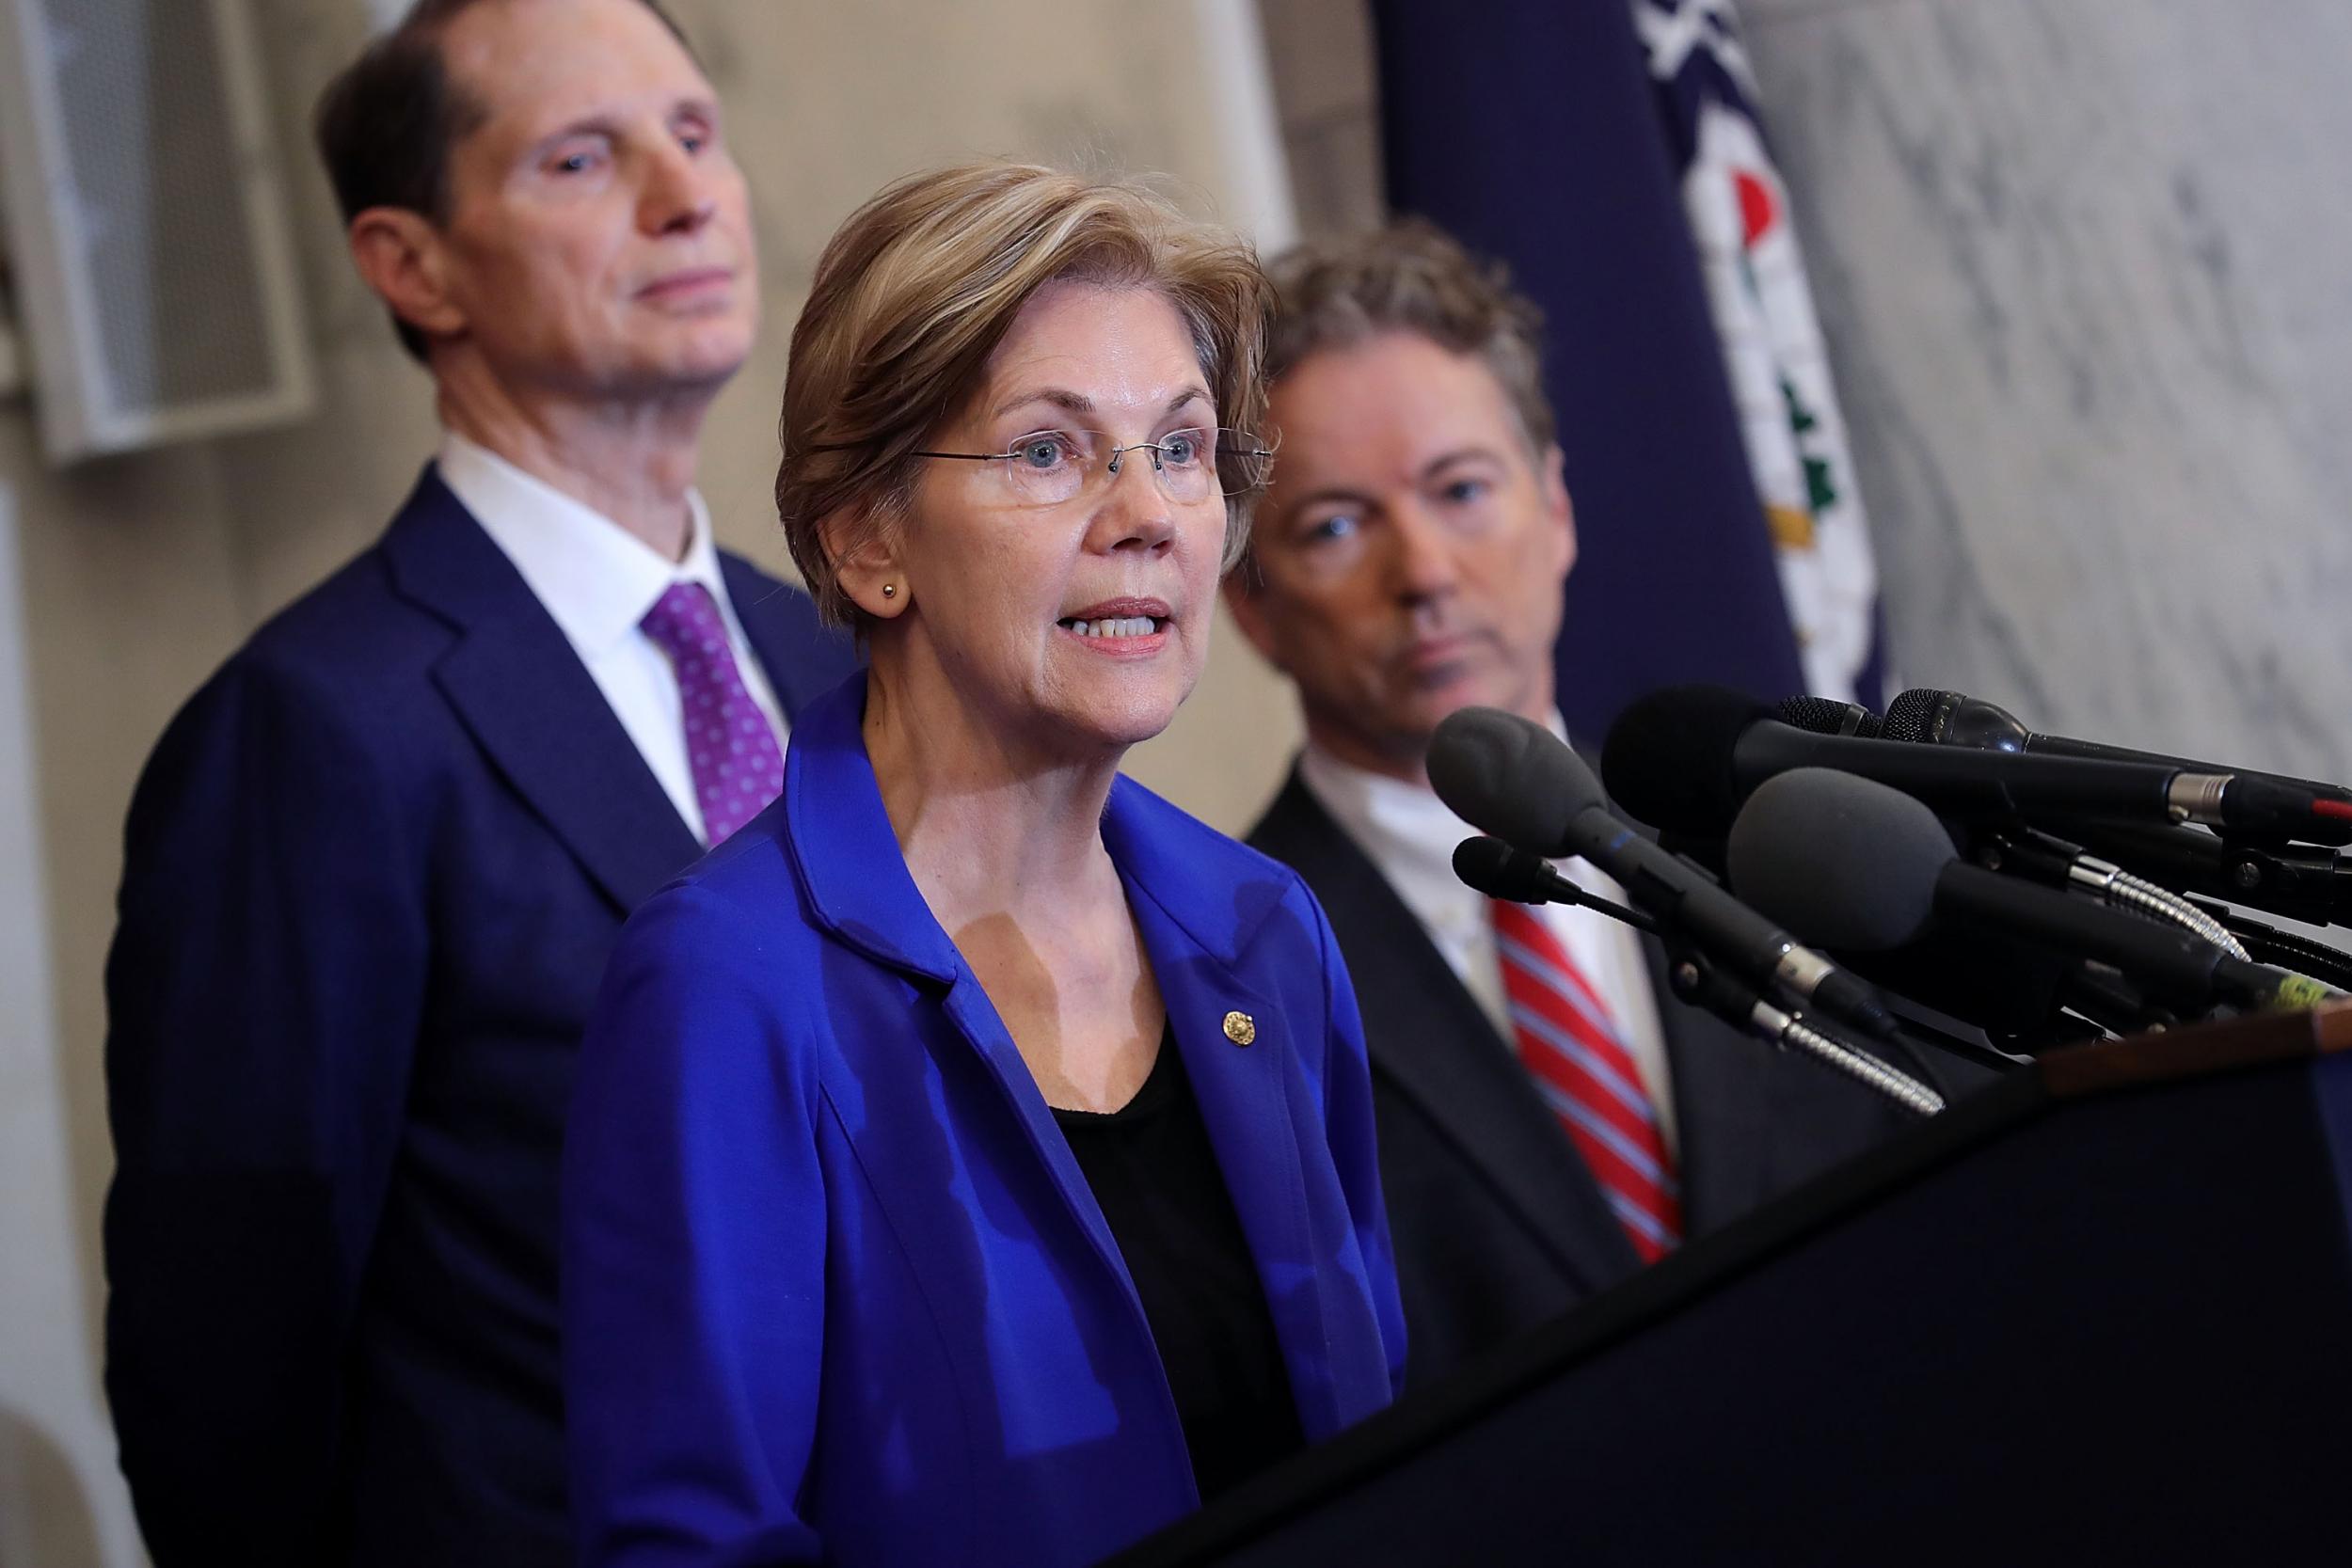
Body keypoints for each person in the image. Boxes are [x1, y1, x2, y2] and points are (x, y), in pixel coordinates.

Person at [561, 161, 1406, 1568]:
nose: (1147, 511)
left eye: (1183, 447)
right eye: (1049, 451)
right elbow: (690, 1542)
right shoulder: (730, 989)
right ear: (867, 538)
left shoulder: (1263, 926)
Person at [100, 3, 853, 1562]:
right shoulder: (313, 733)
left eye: (695, 133)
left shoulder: (830, 656)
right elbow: (229, 1372)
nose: (687, 194)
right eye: (585, 157)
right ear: (412, 265)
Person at [1224, 221, 1926, 1390]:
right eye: (1334, 525)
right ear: (1249, 600)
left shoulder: (1787, 849)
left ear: (1555, 508)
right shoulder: (1227, 982)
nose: (1425, 574)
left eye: (1461, 489)